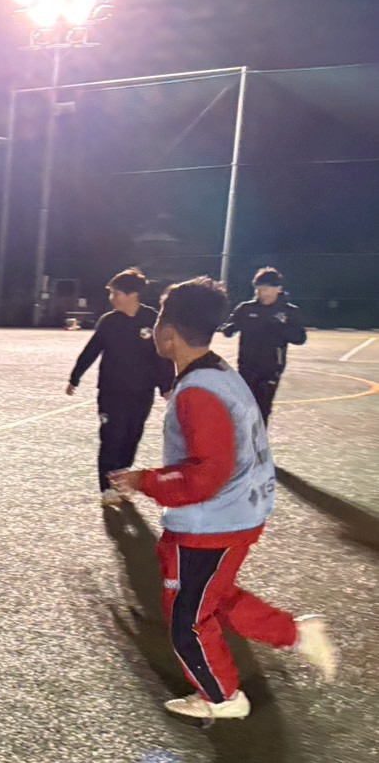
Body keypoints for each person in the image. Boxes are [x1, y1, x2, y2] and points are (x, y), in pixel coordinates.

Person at [110, 277, 334, 721]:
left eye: (159, 319)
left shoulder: (198, 391)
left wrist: (144, 480)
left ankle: (222, 697)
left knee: (187, 621)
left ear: (167, 334)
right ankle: (295, 633)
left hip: (213, 523)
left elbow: (206, 475)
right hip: (235, 513)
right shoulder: (218, 374)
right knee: (211, 595)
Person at [65, 267, 174, 506]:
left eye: (115, 293)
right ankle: (107, 489)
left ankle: (121, 482)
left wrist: (166, 387)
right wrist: (75, 377)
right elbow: (91, 350)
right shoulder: (109, 321)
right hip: (111, 393)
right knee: (111, 438)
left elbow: (162, 358)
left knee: (130, 438)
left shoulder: (152, 320)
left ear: (131, 294)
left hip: (141, 393)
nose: (112, 298)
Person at [219, 266, 307, 424]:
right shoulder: (246, 309)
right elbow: (228, 329)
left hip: (271, 369)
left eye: (266, 289)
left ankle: (259, 439)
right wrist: (230, 327)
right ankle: (242, 438)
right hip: (246, 367)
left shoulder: (289, 312)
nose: (262, 293)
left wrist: (282, 326)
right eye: (259, 289)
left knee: (263, 409)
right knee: (244, 408)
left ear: (278, 289)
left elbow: (300, 339)